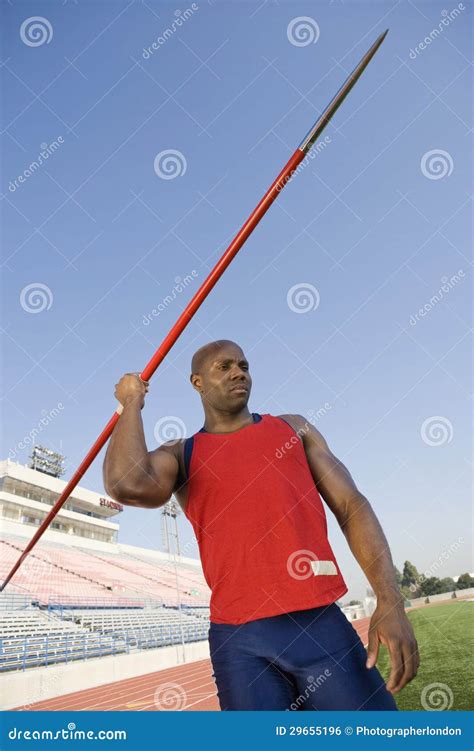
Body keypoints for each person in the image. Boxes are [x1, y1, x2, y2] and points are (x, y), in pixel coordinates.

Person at [103, 339, 419, 710]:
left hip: (319, 625)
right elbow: (127, 483)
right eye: (224, 367)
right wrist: (132, 402)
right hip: (240, 642)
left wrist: (389, 598)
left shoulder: (294, 429)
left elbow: (352, 505)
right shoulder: (181, 453)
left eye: (244, 365)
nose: (239, 372)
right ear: (197, 382)